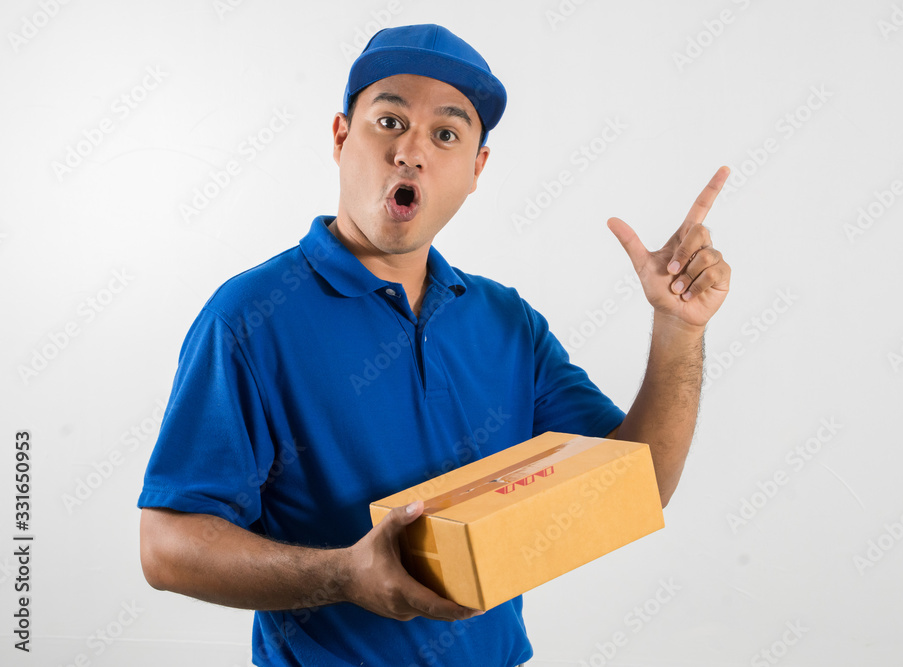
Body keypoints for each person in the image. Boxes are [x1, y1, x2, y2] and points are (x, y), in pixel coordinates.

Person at [138, 23, 731, 667]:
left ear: (476, 169)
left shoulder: (507, 321)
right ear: (341, 137)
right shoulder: (248, 318)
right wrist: (343, 574)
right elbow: (167, 546)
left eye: (446, 134)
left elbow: (635, 482)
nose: (412, 151)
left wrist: (680, 329)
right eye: (389, 120)